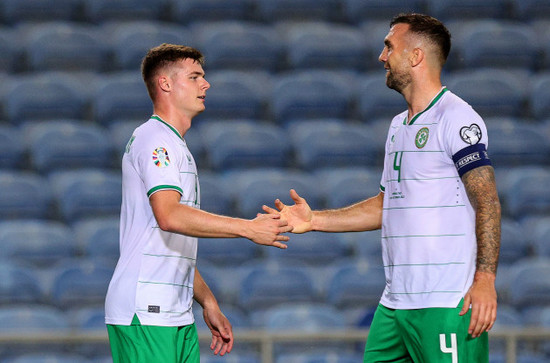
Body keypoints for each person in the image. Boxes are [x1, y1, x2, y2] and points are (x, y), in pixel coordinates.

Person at [263, 13, 501, 363]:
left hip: (446, 302)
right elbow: (387, 205)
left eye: (389, 47)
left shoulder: (457, 118)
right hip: (395, 305)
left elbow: (488, 201)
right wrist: (315, 220)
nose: (381, 56)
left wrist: (485, 280)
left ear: (416, 56)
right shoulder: (397, 126)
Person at [105, 43, 292, 363]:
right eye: (194, 77)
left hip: (174, 312)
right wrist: (248, 228)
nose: (206, 84)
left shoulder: (174, 144)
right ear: (165, 83)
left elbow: (170, 243)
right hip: (146, 312)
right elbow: (169, 216)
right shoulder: (156, 140)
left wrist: (208, 302)